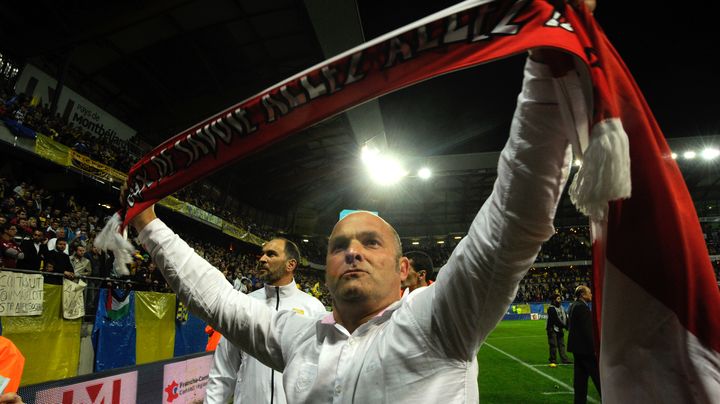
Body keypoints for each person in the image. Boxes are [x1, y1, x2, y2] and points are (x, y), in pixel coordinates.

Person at [127, 4, 595, 396]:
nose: (352, 250)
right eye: (339, 245)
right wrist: (148, 224)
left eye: (371, 242)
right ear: (324, 269)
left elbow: (512, 218)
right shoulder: (298, 337)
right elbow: (216, 299)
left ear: (403, 269)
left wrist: (547, 65)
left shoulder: (438, 321)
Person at [204, 238, 326, 404]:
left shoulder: (314, 308)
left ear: (290, 265)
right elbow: (223, 369)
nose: (262, 259)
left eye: (271, 254)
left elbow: (323, 371)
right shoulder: (244, 304)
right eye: (262, 254)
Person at [567, 285, 601, 403]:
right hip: (586, 350)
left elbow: (568, 325)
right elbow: (588, 331)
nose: (591, 294)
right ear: (582, 294)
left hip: (577, 349)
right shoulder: (582, 307)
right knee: (599, 378)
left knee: (580, 380)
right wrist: (595, 348)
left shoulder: (573, 306)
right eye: (589, 292)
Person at [546, 294, 571, 365]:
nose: (560, 300)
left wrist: (567, 324)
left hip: (560, 328)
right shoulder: (551, 308)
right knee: (553, 344)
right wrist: (565, 326)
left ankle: (564, 359)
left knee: (561, 344)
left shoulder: (561, 307)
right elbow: (555, 320)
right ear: (554, 300)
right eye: (558, 299)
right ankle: (553, 359)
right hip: (552, 329)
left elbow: (566, 317)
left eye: (560, 299)